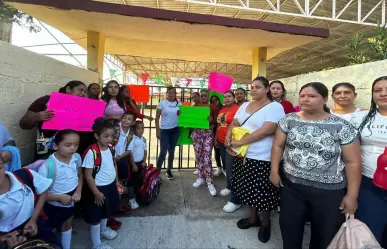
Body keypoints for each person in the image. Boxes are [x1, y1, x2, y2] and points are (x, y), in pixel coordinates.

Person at [270, 82, 361, 249]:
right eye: (303, 96)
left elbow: (352, 162)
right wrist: (274, 171)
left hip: (329, 193)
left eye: (312, 96)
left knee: (324, 237)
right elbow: (277, 146)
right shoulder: (288, 120)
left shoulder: (341, 126)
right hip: (292, 188)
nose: (305, 99)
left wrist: (352, 195)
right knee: (290, 231)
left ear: (325, 99)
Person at [226, 76, 285, 243]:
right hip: (242, 155)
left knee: (263, 193)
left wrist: (239, 141)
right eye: (252, 87)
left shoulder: (275, 107)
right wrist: (229, 137)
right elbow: (235, 122)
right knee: (247, 189)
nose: (253, 90)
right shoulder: (244, 105)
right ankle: (253, 219)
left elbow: (266, 130)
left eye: (258, 87)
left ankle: (265, 223)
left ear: (267, 89)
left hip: (262, 158)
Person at [352, 76, 387, 248]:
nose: (383, 94)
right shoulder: (361, 117)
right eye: (378, 90)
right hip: (367, 182)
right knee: (368, 232)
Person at [38, 129, 83, 249]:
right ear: (55, 146)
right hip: (53, 204)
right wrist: (59, 197)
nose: (73, 148)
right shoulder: (48, 166)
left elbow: (80, 176)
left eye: (76, 144)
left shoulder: (76, 158)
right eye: (68, 145)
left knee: (67, 223)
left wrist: (78, 191)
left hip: (72, 198)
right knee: (50, 229)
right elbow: (40, 194)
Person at [82, 118, 123, 249]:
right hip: (98, 188)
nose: (110, 139)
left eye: (111, 136)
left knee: (106, 210)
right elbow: (88, 175)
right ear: (96, 136)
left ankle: (103, 229)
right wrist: (96, 193)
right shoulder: (91, 152)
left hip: (110, 185)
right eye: (106, 136)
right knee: (95, 217)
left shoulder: (111, 149)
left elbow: (114, 165)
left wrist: (116, 181)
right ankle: (96, 244)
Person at [0, 156, 57, 249]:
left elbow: (43, 190)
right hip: (8, 239)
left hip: (36, 225)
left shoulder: (25, 175)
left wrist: (33, 219)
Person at [19, 81, 86, 158]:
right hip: (46, 151)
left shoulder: (83, 108)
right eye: (80, 90)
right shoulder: (46, 100)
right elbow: (23, 124)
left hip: (72, 151)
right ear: (68, 89)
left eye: (85, 92)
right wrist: (36, 117)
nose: (83, 93)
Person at [214, 91, 242, 212]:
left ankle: (232, 188)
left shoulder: (239, 109)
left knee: (231, 167)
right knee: (226, 166)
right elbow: (219, 125)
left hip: (231, 143)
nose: (226, 99)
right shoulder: (222, 109)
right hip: (221, 141)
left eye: (229, 96)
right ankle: (230, 186)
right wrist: (216, 138)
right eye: (225, 97)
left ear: (234, 98)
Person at [190, 90, 219, 196]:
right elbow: (189, 119)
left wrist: (212, 120)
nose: (203, 97)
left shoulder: (212, 107)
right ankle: (201, 177)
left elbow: (217, 121)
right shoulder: (195, 106)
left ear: (208, 96)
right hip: (197, 134)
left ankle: (209, 182)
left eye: (205, 95)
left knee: (207, 157)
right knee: (199, 157)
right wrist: (181, 114)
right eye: (201, 95)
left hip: (208, 134)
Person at [155, 87, 181, 180]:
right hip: (164, 131)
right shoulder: (162, 103)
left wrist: (180, 113)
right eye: (169, 93)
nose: (171, 94)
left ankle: (169, 170)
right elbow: (157, 118)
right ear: (166, 94)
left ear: (175, 94)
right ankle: (157, 173)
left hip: (175, 130)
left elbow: (183, 116)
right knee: (163, 152)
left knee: (171, 151)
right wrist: (157, 131)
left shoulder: (179, 103)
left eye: (173, 93)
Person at [115, 112, 137, 210]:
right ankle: (117, 200)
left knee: (127, 178)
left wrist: (119, 157)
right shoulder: (115, 129)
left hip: (122, 157)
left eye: (129, 119)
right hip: (110, 156)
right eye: (124, 118)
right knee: (114, 178)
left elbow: (129, 150)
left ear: (133, 122)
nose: (125, 120)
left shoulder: (131, 134)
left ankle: (131, 198)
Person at [127, 120, 147, 208]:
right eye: (139, 128)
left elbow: (145, 151)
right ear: (134, 129)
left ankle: (138, 195)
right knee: (131, 180)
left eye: (142, 128)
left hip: (141, 163)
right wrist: (133, 164)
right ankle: (131, 198)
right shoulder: (133, 139)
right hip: (133, 164)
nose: (141, 130)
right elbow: (130, 152)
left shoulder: (143, 139)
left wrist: (144, 161)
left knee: (139, 180)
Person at [210, 95, 223, 176]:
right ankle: (219, 167)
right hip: (214, 131)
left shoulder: (224, 108)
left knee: (224, 151)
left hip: (223, 131)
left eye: (216, 99)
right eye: (213, 101)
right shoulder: (210, 109)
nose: (215, 101)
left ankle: (225, 168)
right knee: (216, 150)